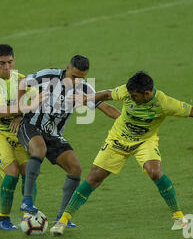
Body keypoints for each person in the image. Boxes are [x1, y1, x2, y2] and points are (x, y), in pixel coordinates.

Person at [50, 70, 193, 236]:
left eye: (135, 96)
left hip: (144, 142)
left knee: (154, 171)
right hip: (118, 139)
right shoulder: (127, 92)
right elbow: (108, 94)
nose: (130, 98)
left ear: (147, 93)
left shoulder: (164, 103)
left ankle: (179, 218)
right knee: (94, 177)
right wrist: (87, 98)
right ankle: (64, 219)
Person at [16, 55, 121, 227]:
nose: (77, 81)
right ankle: (27, 200)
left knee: (76, 168)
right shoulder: (48, 76)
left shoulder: (84, 89)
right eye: (74, 77)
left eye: (81, 78)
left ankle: (63, 217)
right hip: (30, 125)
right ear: (67, 68)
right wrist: (19, 111)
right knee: (39, 149)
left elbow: (106, 108)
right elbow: (22, 83)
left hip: (54, 134)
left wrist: (128, 121)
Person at [0, 43, 37, 230]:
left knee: (29, 171)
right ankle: (3, 219)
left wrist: (21, 115)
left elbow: (40, 99)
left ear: (14, 60)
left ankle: (28, 218)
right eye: (2, 63)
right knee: (12, 172)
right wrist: (22, 111)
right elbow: (2, 112)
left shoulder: (22, 80)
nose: (6, 67)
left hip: (17, 134)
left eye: (10, 62)